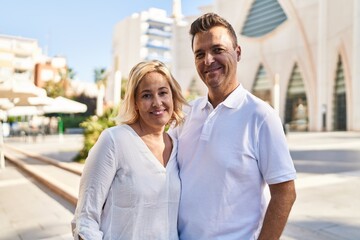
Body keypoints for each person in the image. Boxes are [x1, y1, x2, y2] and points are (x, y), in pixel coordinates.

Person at [170, 13, 297, 240]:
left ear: (237, 53)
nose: (208, 60)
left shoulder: (261, 116)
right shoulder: (185, 114)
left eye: (217, 50)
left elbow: (285, 193)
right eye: (200, 54)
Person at [72, 60, 187, 240]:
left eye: (163, 93)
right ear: (135, 103)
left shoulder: (178, 144)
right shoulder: (114, 140)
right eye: (147, 95)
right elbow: (85, 218)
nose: (157, 103)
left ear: (172, 96)